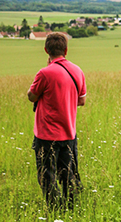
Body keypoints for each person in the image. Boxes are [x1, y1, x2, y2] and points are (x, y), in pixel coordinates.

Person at [27, 32, 87, 209]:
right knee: (69, 174)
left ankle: (55, 210)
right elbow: (82, 100)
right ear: (66, 50)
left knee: (47, 176)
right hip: (69, 132)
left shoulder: (44, 73)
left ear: (46, 50)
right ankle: (71, 208)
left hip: (46, 135)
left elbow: (32, 96)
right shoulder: (77, 70)